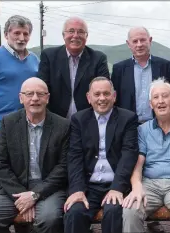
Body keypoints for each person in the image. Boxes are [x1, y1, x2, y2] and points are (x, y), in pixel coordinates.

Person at [0, 77, 70, 233]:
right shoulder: (9, 122)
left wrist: (35, 194)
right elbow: (0, 163)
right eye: (29, 94)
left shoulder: (63, 125)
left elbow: (63, 167)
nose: (35, 98)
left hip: (49, 189)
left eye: (40, 94)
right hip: (14, 189)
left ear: (47, 98)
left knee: (49, 219)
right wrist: (23, 197)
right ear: (21, 98)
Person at [122, 78, 170, 233]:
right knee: (130, 210)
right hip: (150, 184)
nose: (161, 101)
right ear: (151, 104)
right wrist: (136, 187)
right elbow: (138, 163)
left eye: (165, 96)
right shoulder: (142, 130)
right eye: (156, 98)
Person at [63, 76, 139, 233]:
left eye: (106, 93)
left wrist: (117, 187)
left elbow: (128, 155)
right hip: (88, 185)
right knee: (75, 212)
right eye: (97, 94)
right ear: (89, 98)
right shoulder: (78, 119)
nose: (102, 98)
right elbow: (74, 156)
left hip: (115, 183)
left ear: (114, 96)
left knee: (113, 211)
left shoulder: (128, 118)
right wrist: (77, 189)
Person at [0, 15, 39, 156]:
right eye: (17, 33)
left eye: (26, 33)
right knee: (5, 175)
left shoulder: (35, 60)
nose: (22, 38)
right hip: (1, 128)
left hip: (30, 127)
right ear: (6, 34)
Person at [38, 16, 110, 119]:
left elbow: (103, 90)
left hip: (88, 120)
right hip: (55, 120)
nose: (75, 36)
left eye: (80, 32)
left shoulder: (98, 59)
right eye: (71, 31)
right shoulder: (49, 56)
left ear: (86, 36)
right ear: (63, 35)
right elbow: (42, 89)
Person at [111, 27, 170, 124]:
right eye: (135, 41)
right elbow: (115, 100)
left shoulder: (164, 66)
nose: (139, 44)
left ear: (150, 40)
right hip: (128, 126)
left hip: (158, 125)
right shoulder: (119, 69)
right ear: (128, 44)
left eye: (143, 40)